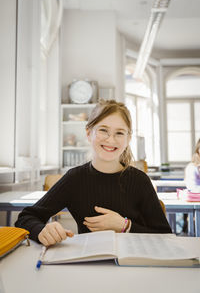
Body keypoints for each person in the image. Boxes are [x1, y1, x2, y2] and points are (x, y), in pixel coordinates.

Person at [15, 99, 171, 246]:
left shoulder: (139, 180)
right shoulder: (75, 179)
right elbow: (26, 217)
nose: (111, 140)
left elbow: (165, 236)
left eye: (119, 133)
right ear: (89, 133)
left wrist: (125, 226)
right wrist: (42, 230)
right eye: (103, 130)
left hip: (135, 265)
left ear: (128, 138)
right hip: (88, 264)